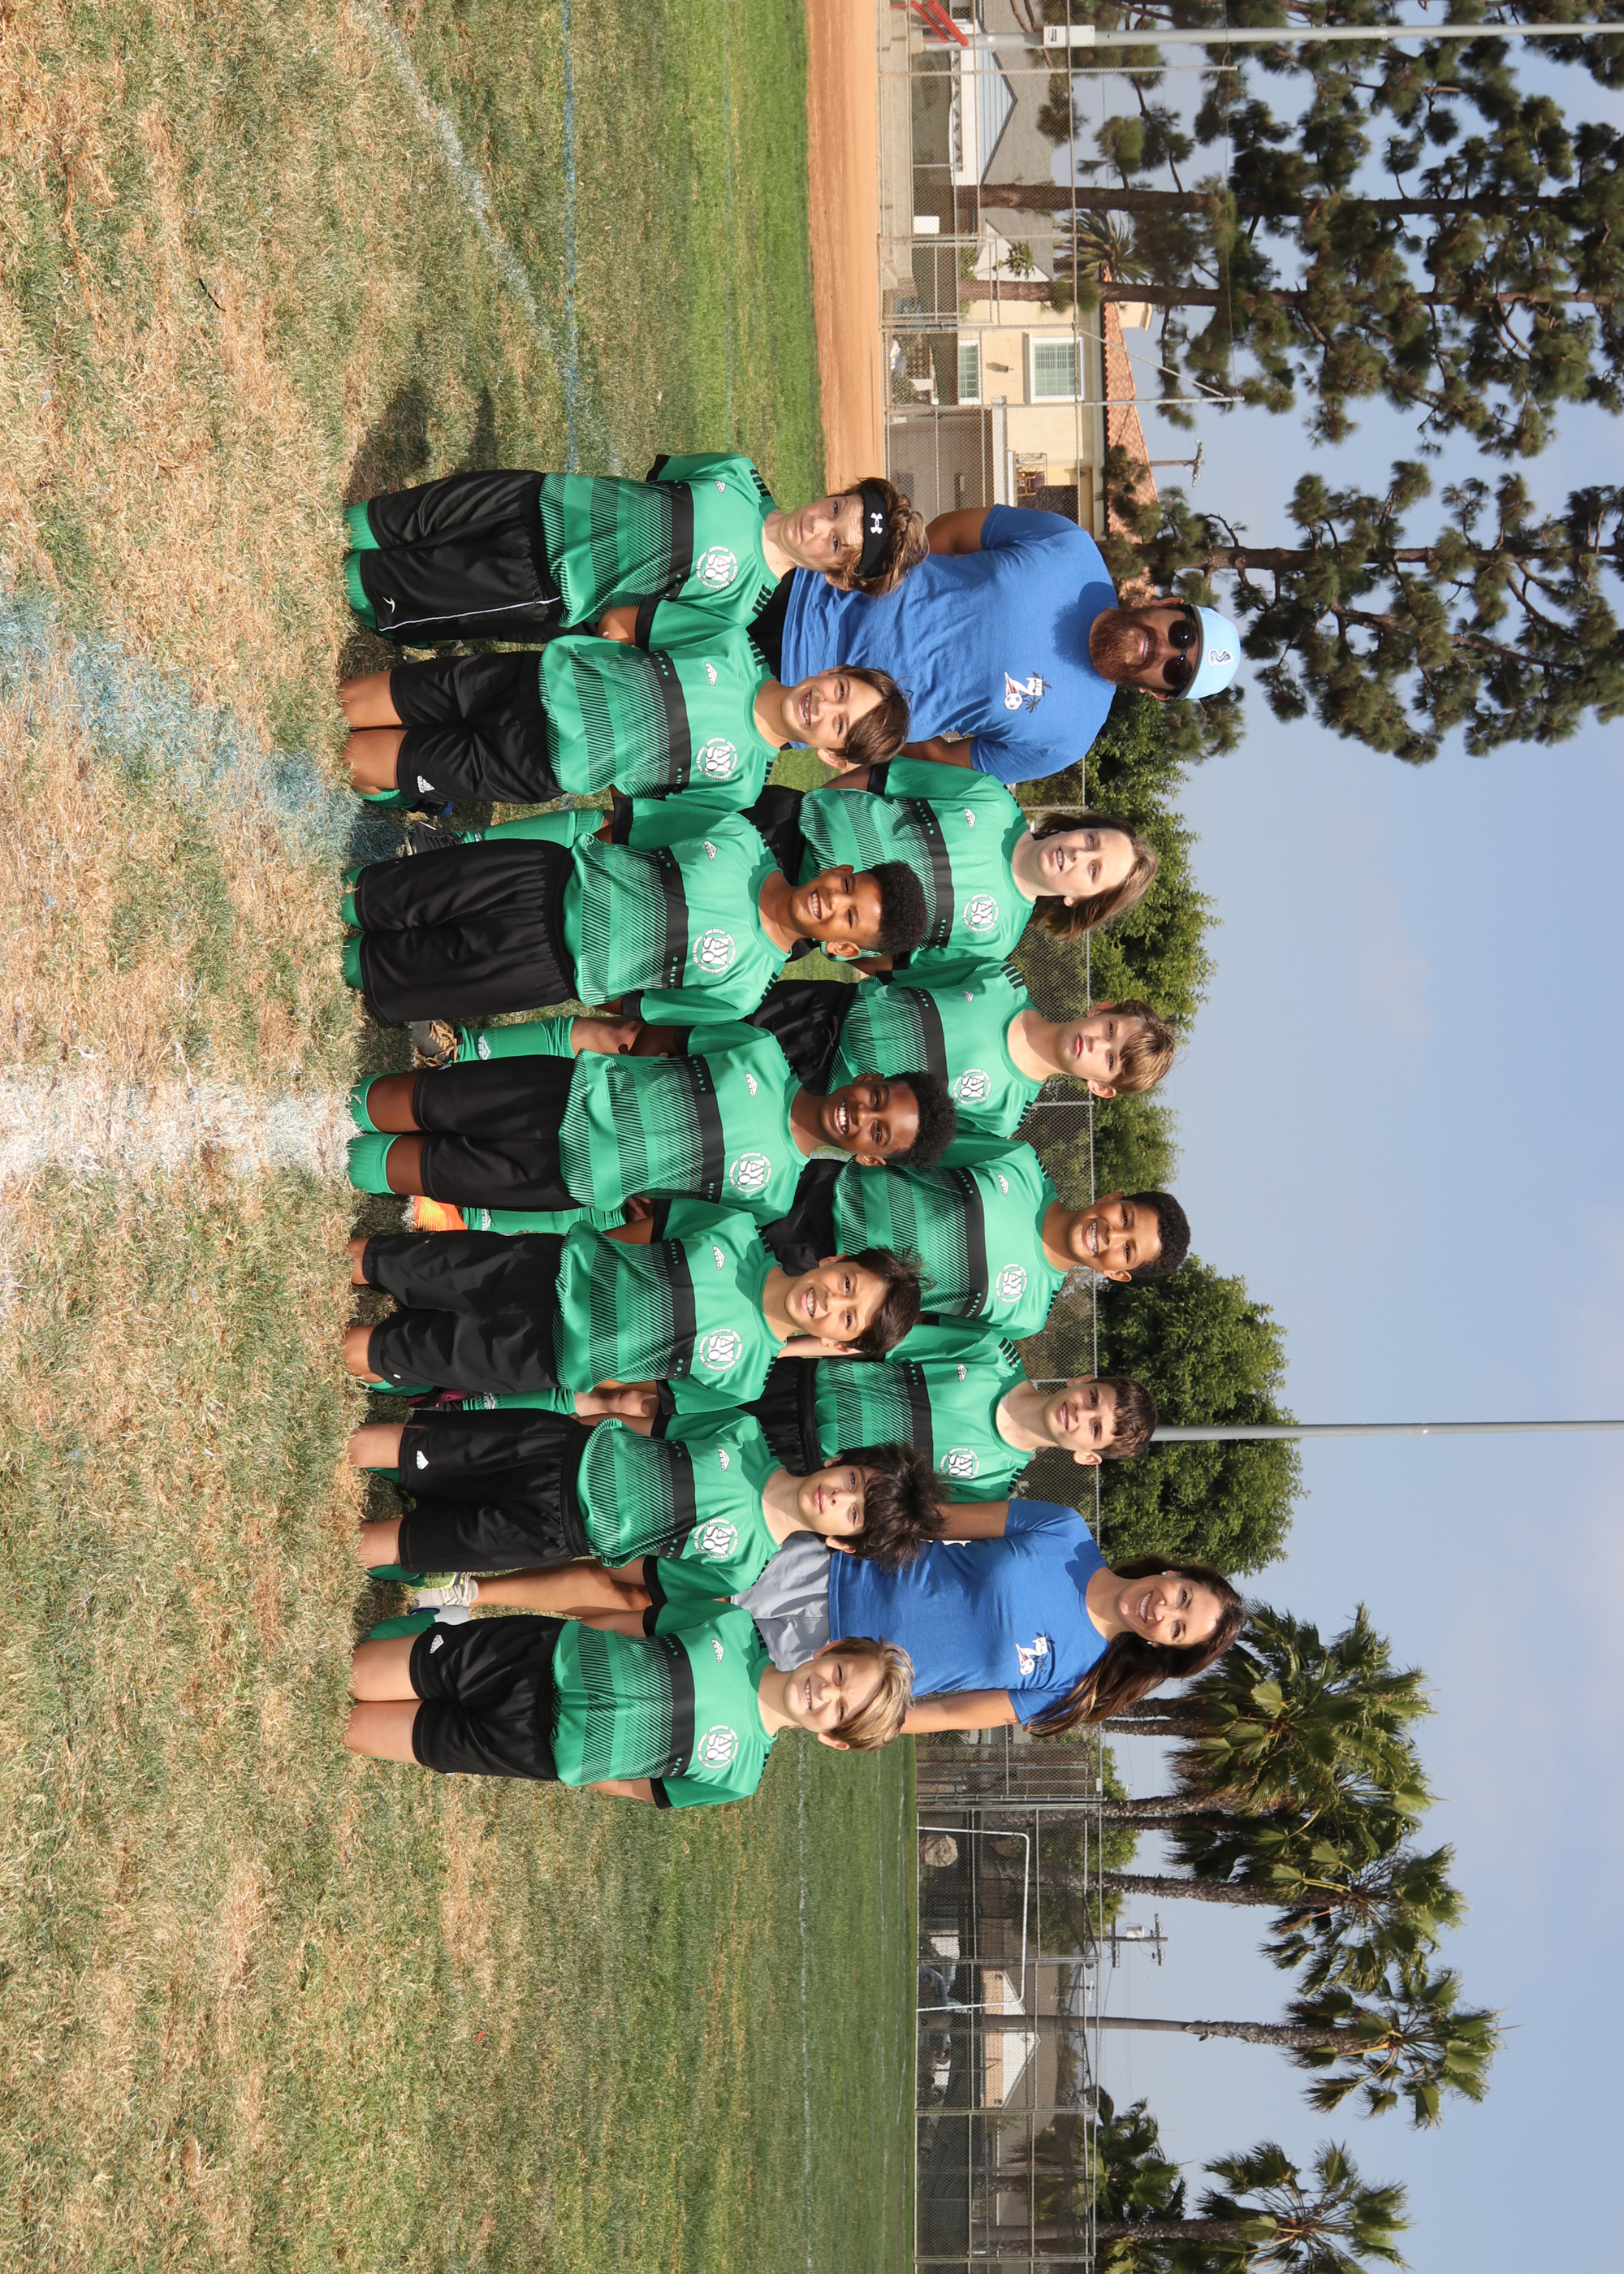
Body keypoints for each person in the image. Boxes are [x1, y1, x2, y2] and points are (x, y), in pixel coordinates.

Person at [460, 1501, 1246, 1737]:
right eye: (1182, 1596)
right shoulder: (1065, 1531)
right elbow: (942, 1518)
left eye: (1178, 1628)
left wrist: (859, 1723)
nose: (1165, 1610)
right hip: (826, 1570)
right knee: (636, 1580)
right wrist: (852, 1523)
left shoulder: (1071, 1679)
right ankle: (472, 1593)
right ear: (1172, 1573)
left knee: (655, 1634)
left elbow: (946, 1712)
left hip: (834, 1671)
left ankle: (508, 1644)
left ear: (1163, 1650)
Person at [339, 800, 928, 1027]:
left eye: (849, 919)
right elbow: (625, 827)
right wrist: (574, 873)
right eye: (847, 887)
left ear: (842, 949)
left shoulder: (744, 991)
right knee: (361, 897)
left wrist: (581, 969)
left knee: (361, 970)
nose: (833, 902)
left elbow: (635, 1006)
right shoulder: (738, 835)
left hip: (539, 968)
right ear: (838, 868)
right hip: (535, 877)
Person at [771, 500, 1242, 785]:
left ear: (1160, 693)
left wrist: (872, 727)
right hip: (806, 590)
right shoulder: (1072, 547)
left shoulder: (1068, 741)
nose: (1166, 650)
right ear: (1171, 603)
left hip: (804, 703)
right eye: (1182, 634)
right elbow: (952, 534)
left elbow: (943, 760)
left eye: (1177, 669)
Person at [341, 1017, 958, 1229]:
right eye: (878, 1098)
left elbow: (664, 1215)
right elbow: (658, 1041)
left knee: (418, 1168)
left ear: (872, 1157)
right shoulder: (760, 1050)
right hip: (559, 1093)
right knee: (425, 1100)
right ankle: (336, 1109)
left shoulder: (772, 1197)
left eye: (879, 1132)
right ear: (868, 1077)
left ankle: (329, 1159)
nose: (863, 1115)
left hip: (565, 1178)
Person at [344, 1407, 944, 1596]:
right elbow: (642, 1421)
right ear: (843, 1460)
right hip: (552, 1449)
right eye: (854, 1480)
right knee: (394, 1448)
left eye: (853, 1513)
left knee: (385, 1545)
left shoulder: (740, 1569)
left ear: (842, 1541)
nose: (838, 1495)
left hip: (556, 1532)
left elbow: (632, 1570)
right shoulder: (743, 1433)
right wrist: (566, 1428)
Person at [339, 1205, 922, 1399]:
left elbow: (642, 1386)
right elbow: (640, 1235)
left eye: (848, 1319)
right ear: (834, 1260)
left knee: (380, 1350)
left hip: (541, 1356)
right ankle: (345, 1263)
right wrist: (579, 1259)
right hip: (541, 1270)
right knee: (393, 1262)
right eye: (848, 1284)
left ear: (838, 1342)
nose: (833, 1302)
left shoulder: (745, 1379)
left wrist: (592, 1362)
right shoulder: (735, 1230)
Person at [336, 615, 910, 811]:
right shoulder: (732, 643)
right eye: (840, 689)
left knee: (352, 757)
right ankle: (410, 781)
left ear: (832, 756)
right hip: (524, 683)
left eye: (839, 724)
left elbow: (639, 809)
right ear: (833, 669)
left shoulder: (740, 786)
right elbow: (622, 626)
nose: (824, 705)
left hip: (529, 763)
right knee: (349, 703)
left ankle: (402, 787)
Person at [342, 1610, 914, 1803]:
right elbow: (625, 1623)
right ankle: (428, 1636)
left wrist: (577, 1764)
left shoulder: (738, 1777)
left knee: (354, 1727)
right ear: (831, 1649)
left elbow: (638, 1787)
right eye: (840, 1675)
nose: (826, 1693)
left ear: (832, 1737)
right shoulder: (733, 1625)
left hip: (533, 1749)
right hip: (532, 1659)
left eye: (841, 1711)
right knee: (355, 1673)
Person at [343, 458, 926, 645]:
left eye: (835, 543)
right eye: (835, 508)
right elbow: (658, 481)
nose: (819, 524)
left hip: (540, 583)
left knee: (363, 585)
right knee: (372, 522)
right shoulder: (738, 473)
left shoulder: (736, 608)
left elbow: (625, 628)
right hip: (538, 496)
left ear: (837, 578)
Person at [744, 764, 1157, 979]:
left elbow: (891, 963)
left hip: (785, 928)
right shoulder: (992, 799)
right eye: (1091, 840)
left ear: (1078, 900)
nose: (1079, 854)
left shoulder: (996, 942)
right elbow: (882, 778)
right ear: (1077, 827)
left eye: (1094, 870)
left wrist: (832, 937)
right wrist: (815, 805)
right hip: (779, 828)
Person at [761, 1135, 1190, 1339]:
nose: (1113, 1234)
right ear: (1113, 1198)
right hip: (813, 1193)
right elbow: (907, 1146)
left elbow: (910, 1330)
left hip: (817, 1294)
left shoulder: (1026, 1317)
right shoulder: (1020, 1163)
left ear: (1118, 1274)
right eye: (1125, 1217)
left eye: (1128, 1249)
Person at [736, 965, 1175, 1135]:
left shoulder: (1004, 1116)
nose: (1097, 1043)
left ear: (1101, 1087)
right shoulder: (1002, 979)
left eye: (1109, 1059)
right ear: (1101, 1009)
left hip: (816, 1098)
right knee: (707, 1020)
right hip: (815, 1010)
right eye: (1110, 1029)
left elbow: (912, 1140)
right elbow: (900, 971)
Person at [740, 1325, 1159, 1498]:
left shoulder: (992, 1487)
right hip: (787, 1380)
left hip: (799, 1467)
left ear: (1087, 1456)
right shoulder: (994, 1352)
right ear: (1081, 1381)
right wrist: (775, 1351)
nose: (1082, 1414)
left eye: (1096, 1429)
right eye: (1092, 1399)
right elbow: (877, 1339)